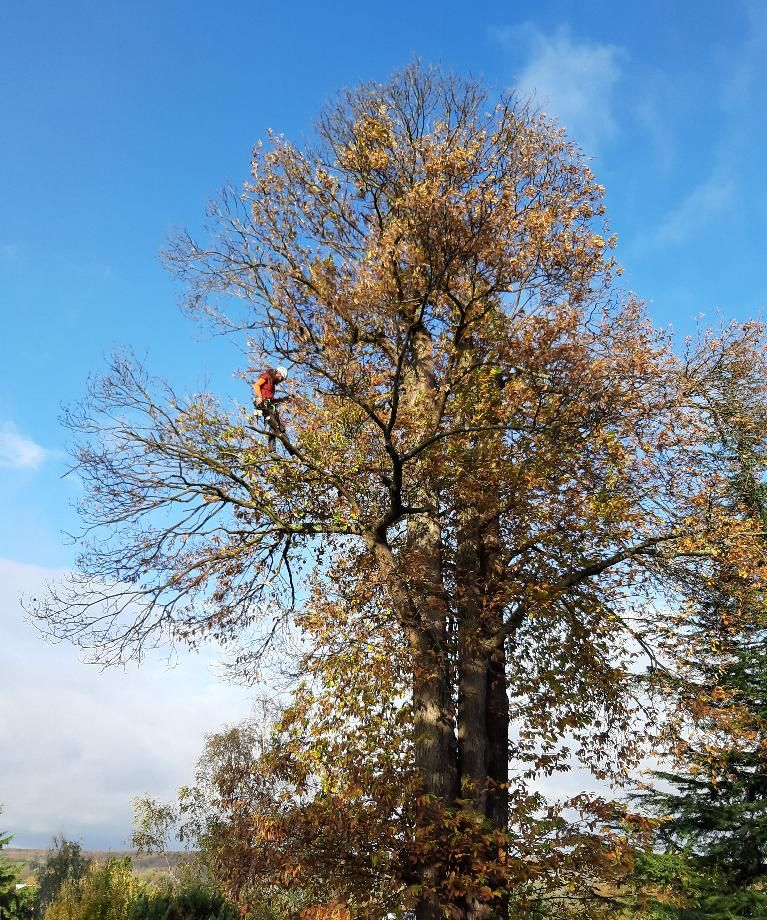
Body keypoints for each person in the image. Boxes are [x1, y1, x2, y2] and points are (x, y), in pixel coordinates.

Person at [253, 366, 288, 454]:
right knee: (274, 425)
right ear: (278, 373)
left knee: (280, 427)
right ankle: (272, 450)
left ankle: (290, 447)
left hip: (270, 405)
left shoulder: (272, 385)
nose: (280, 381)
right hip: (263, 405)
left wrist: (282, 399)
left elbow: (271, 399)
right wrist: (259, 396)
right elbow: (256, 385)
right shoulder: (267, 376)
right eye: (281, 378)